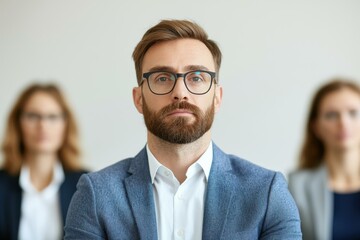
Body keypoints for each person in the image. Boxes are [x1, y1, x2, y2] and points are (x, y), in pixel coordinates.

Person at [64, 19, 301, 239]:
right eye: (162, 78)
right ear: (138, 99)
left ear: (217, 97)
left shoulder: (267, 193)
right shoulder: (96, 195)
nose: (180, 92)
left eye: (196, 77)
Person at [0, 83, 87, 240]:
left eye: (52, 117)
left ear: (65, 124)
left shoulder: (86, 185)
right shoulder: (2, 183)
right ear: (18, 123)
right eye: (33, 116)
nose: (43, 125)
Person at [289, 79, 360, 240]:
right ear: (316, 127)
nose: (343, 123)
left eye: (353, 113)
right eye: (331, 115)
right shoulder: (297, 187)